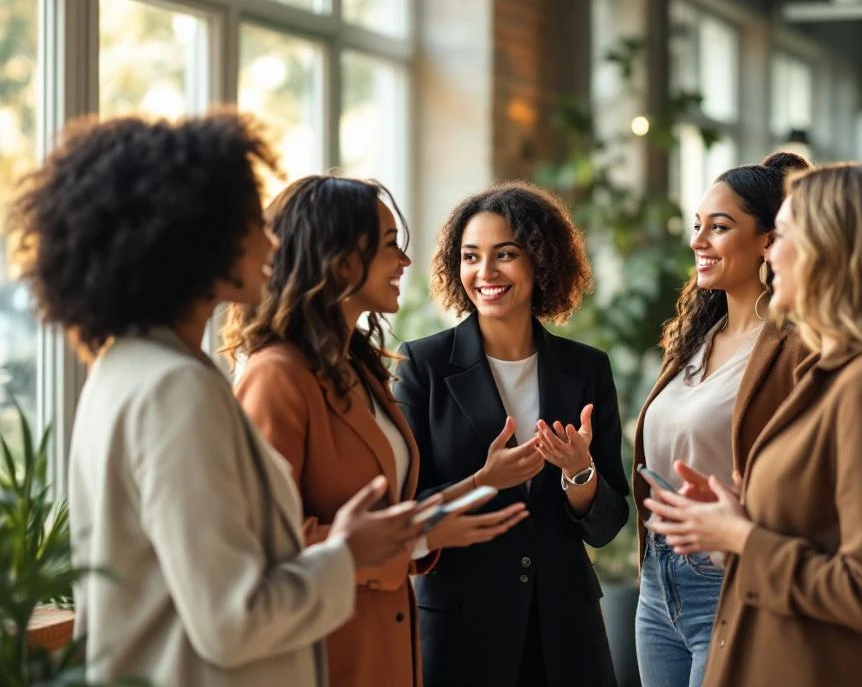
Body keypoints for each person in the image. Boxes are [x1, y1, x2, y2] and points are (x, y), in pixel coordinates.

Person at [11, 112, 429, 687]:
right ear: (195, 238)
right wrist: (346, 554)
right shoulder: (173, 391)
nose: (272, 240)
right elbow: (233, 620)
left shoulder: (133, 367)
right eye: (250, 221)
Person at [645, 163, 862, 687]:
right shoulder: (840, 374)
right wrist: (733, 524)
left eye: (783, 235)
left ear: (832, 251)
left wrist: (742, 536)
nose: (771, 251)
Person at [223, 175, 527, 687]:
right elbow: (255, 541)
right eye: (389, 246)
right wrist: (416, 539)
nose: (405, 262)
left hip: (382, 652)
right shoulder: (275, 375)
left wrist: (481, 482)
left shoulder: (357, 367)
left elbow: (384, 515)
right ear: (340, 258)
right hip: (319, 655)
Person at [394, 182, 629, 687]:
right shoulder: (422, 366)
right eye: (471, 257)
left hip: (564, 634)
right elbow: (404, 509)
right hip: (461, 634)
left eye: (505, 255)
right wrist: (484, 480)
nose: (486, 273)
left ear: (540, 262)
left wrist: (578, 472)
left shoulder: (587, 369)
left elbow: (608, 525)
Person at [632, 153, 810, 687]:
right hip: (658, 586)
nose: (698, 241)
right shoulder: (694, 339)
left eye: (720, 227)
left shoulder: (796, 348)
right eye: (697, 226)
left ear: (768, 241)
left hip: (728, 577)